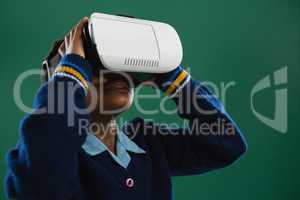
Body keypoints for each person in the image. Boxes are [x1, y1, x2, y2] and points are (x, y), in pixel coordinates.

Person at [4, 17, 247, 200]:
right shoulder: (45, 151)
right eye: (95, 67)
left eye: (120, 66)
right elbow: (41, 184)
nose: (116, 74)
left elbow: (227, 144)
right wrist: (71, 71)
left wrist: (171, 73)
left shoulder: (146, 143)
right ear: (66, 81)